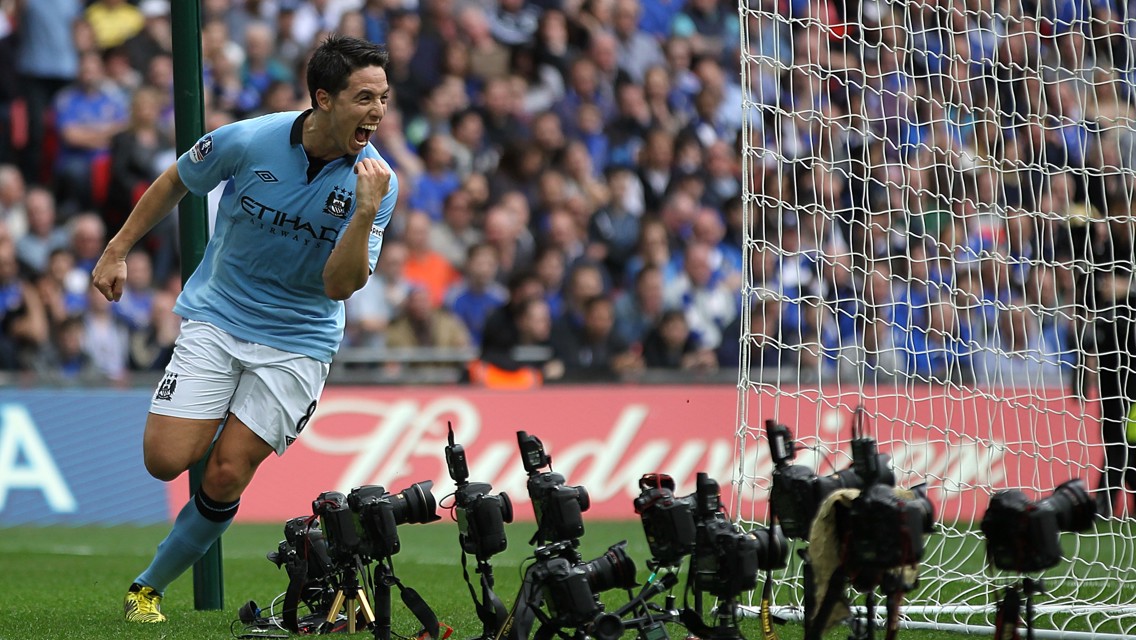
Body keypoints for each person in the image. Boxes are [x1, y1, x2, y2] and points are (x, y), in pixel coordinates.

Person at [90, 35, 397, 623]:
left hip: (299, 341)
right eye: (364, 98)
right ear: (323, 99)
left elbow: (340, 285)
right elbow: (176, 180)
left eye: (383, 98)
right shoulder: (250, 138)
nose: (377, 112)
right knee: (164, 458)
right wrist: (118, 249)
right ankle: (211, 419)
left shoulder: (377, 184)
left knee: (229, 469)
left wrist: (362, 211)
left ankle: (146, 589)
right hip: (219, 315)